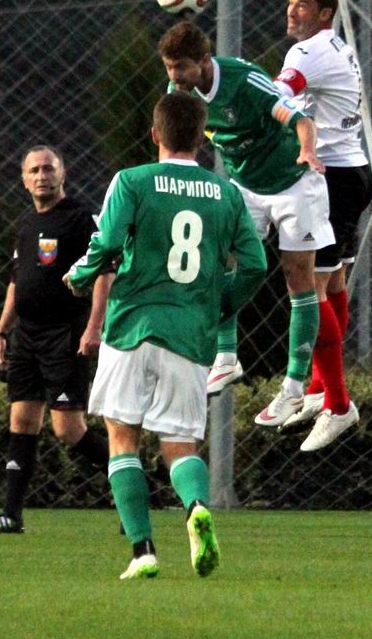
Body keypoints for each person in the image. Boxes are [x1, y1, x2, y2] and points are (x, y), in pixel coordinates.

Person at [65, 92, 267, 580]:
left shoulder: (131, 181)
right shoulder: (226, 193)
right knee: (179, 444)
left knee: (122, 438)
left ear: (155, 134)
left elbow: (108, 242)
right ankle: (196, 506)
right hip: (189, 333)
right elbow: (256, 265)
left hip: (131, 326)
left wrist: (80, 275)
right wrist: (220, 305)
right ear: (202, 138)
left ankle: (143, 551)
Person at [158, 21, 327, 435]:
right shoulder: (179, 94)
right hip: (245, 187)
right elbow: (173, 143)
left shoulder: (245, 81)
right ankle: (226, 357)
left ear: (203, 61)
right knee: (221, 260)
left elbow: (301, 120)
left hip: (293, 181)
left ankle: (293, 387)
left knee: (297, 278)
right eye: (168, 67)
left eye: (181, 67)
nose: (174, 76)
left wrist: (307, 151)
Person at [0, 147, 112, 534]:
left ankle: (136, 486)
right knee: (21, 420)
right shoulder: (28, 222)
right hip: (26, 336)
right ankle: (11, 515)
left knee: (68, 429)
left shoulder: (80, 218)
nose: (41, 176)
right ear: (23, 179)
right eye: (33, 170)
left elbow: (105, 271)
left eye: (48, 168)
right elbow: (17, 281)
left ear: (62, 173)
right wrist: (2, 331)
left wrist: (94, 326)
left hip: (63, 334)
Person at [270, 0, 372, 451]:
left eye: (304, 5)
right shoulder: (338, 47)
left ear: (325, 13)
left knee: (309, 289)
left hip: (330, 178)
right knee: (331, 285)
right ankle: (318, 389)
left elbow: (276, 96)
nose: (293, 12)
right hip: (351, 173)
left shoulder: (306, 53)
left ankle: (338, 403)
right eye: (291, 3)